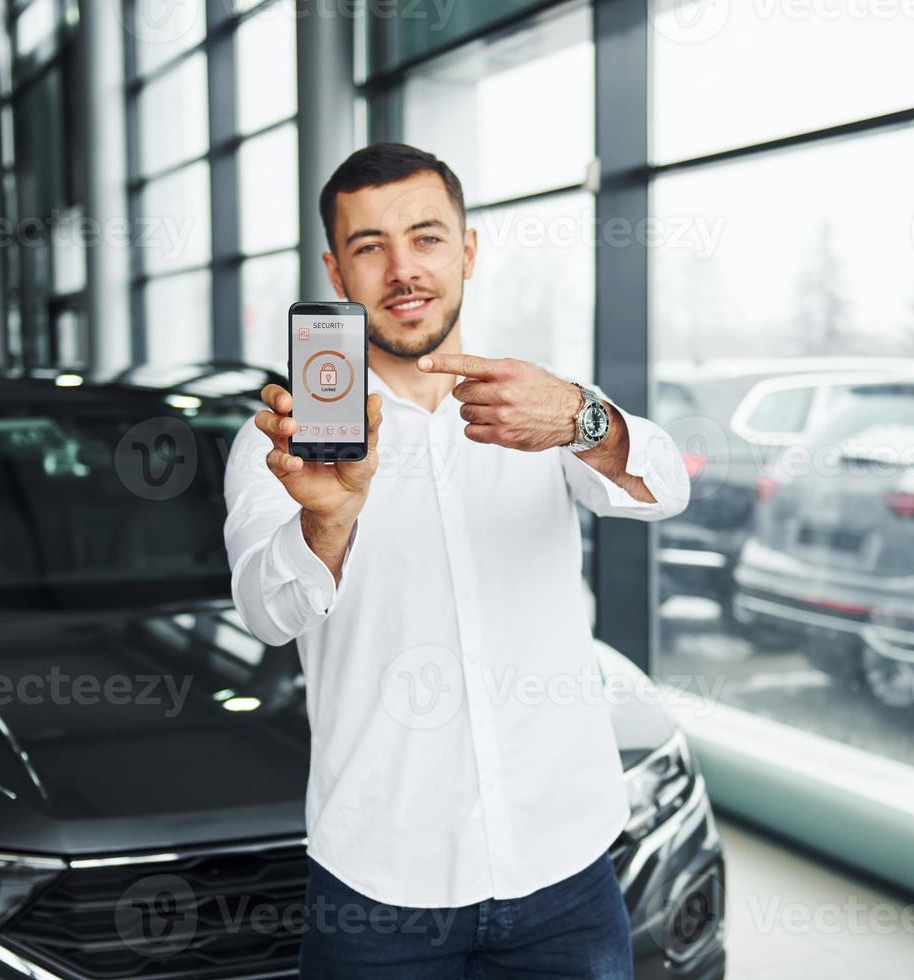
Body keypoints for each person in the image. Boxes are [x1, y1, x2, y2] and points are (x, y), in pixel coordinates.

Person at [223, 143, 690, 978]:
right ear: (336, 270)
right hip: (379, 888)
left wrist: (586, 419)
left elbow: (662, 488)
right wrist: (326, 523)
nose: (403, 269)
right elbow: (266, 610)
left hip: (564, 873)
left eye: (427, 237)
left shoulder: (541, 404)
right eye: (370, 247)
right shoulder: (286, 444)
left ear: (467, 250)